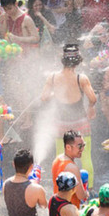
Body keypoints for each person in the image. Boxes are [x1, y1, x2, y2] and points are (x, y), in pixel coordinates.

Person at [40, 44, 97, 177]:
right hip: (80, 122)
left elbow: (44, 97)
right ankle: (89, 189)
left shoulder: (52, 77)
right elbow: (93, 98)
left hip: (61, 123)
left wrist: (56, 94)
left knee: (60, 157)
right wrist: (90, 108)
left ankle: (60, 188)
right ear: (78, 61)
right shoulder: (81, 78)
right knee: (85, 156)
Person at [51, 130, 89, 207]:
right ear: (68, 147)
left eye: (83, 145)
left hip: (57, 207)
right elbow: (81, 196)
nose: (82, 149)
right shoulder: (72, 168)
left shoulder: (57, 159)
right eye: (79, 146)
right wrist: (87, 193)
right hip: (70, 211)